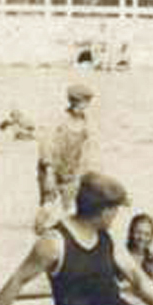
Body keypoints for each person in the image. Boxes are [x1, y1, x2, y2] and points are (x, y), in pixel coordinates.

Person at [0, 171, 153, 305]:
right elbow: (18, 279)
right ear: (104, 212)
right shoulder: (54, 242)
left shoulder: (108, 239)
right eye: (115, 209)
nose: (116, 215)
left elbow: (137, 277)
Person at [35, 83, 100, 233]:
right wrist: (49, 173)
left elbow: (87, 150)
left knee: (70, 208)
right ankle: (37, 234)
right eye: (81, 102)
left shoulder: (86, 122)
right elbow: (46, 145)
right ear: (72, 102)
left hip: (70, 171)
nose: (83, 106)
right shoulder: (59, 120)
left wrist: (84, 175)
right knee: (48, 203)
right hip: (50, 168)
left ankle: (66, 235)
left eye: (86, 103)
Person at [124, 212, 153, 283]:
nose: (142, 238)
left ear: (151, 237)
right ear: (131, 233)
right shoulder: (121, 255)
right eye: (138, 232)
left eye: (147, 234)